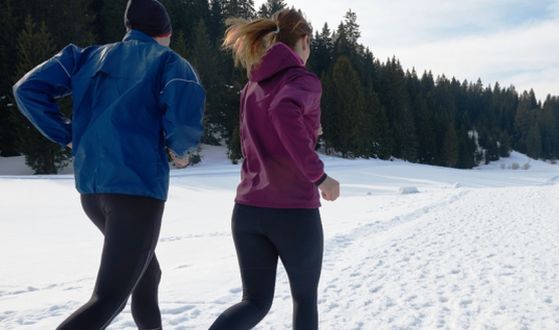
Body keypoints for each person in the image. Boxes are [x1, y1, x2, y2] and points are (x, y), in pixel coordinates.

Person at [12, 0, 205, 328]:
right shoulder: (170, 62)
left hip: (93, 192)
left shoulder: (84, 56)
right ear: (165, 32)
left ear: (129, 28)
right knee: (108, 299)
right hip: (136, 191)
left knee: (147, 274)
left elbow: (26, 88)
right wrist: (181, 152)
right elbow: (183, 123)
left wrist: (68, 135)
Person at [210, 8, 340, 330]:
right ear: (305, 41)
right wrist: (320, 176)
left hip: (248, 210)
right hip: (292, 212)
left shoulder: (251, 86)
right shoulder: (302, 79)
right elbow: (283, 112)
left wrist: (309, 131)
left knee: (254, 302)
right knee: (305, 299)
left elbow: (261, 135)